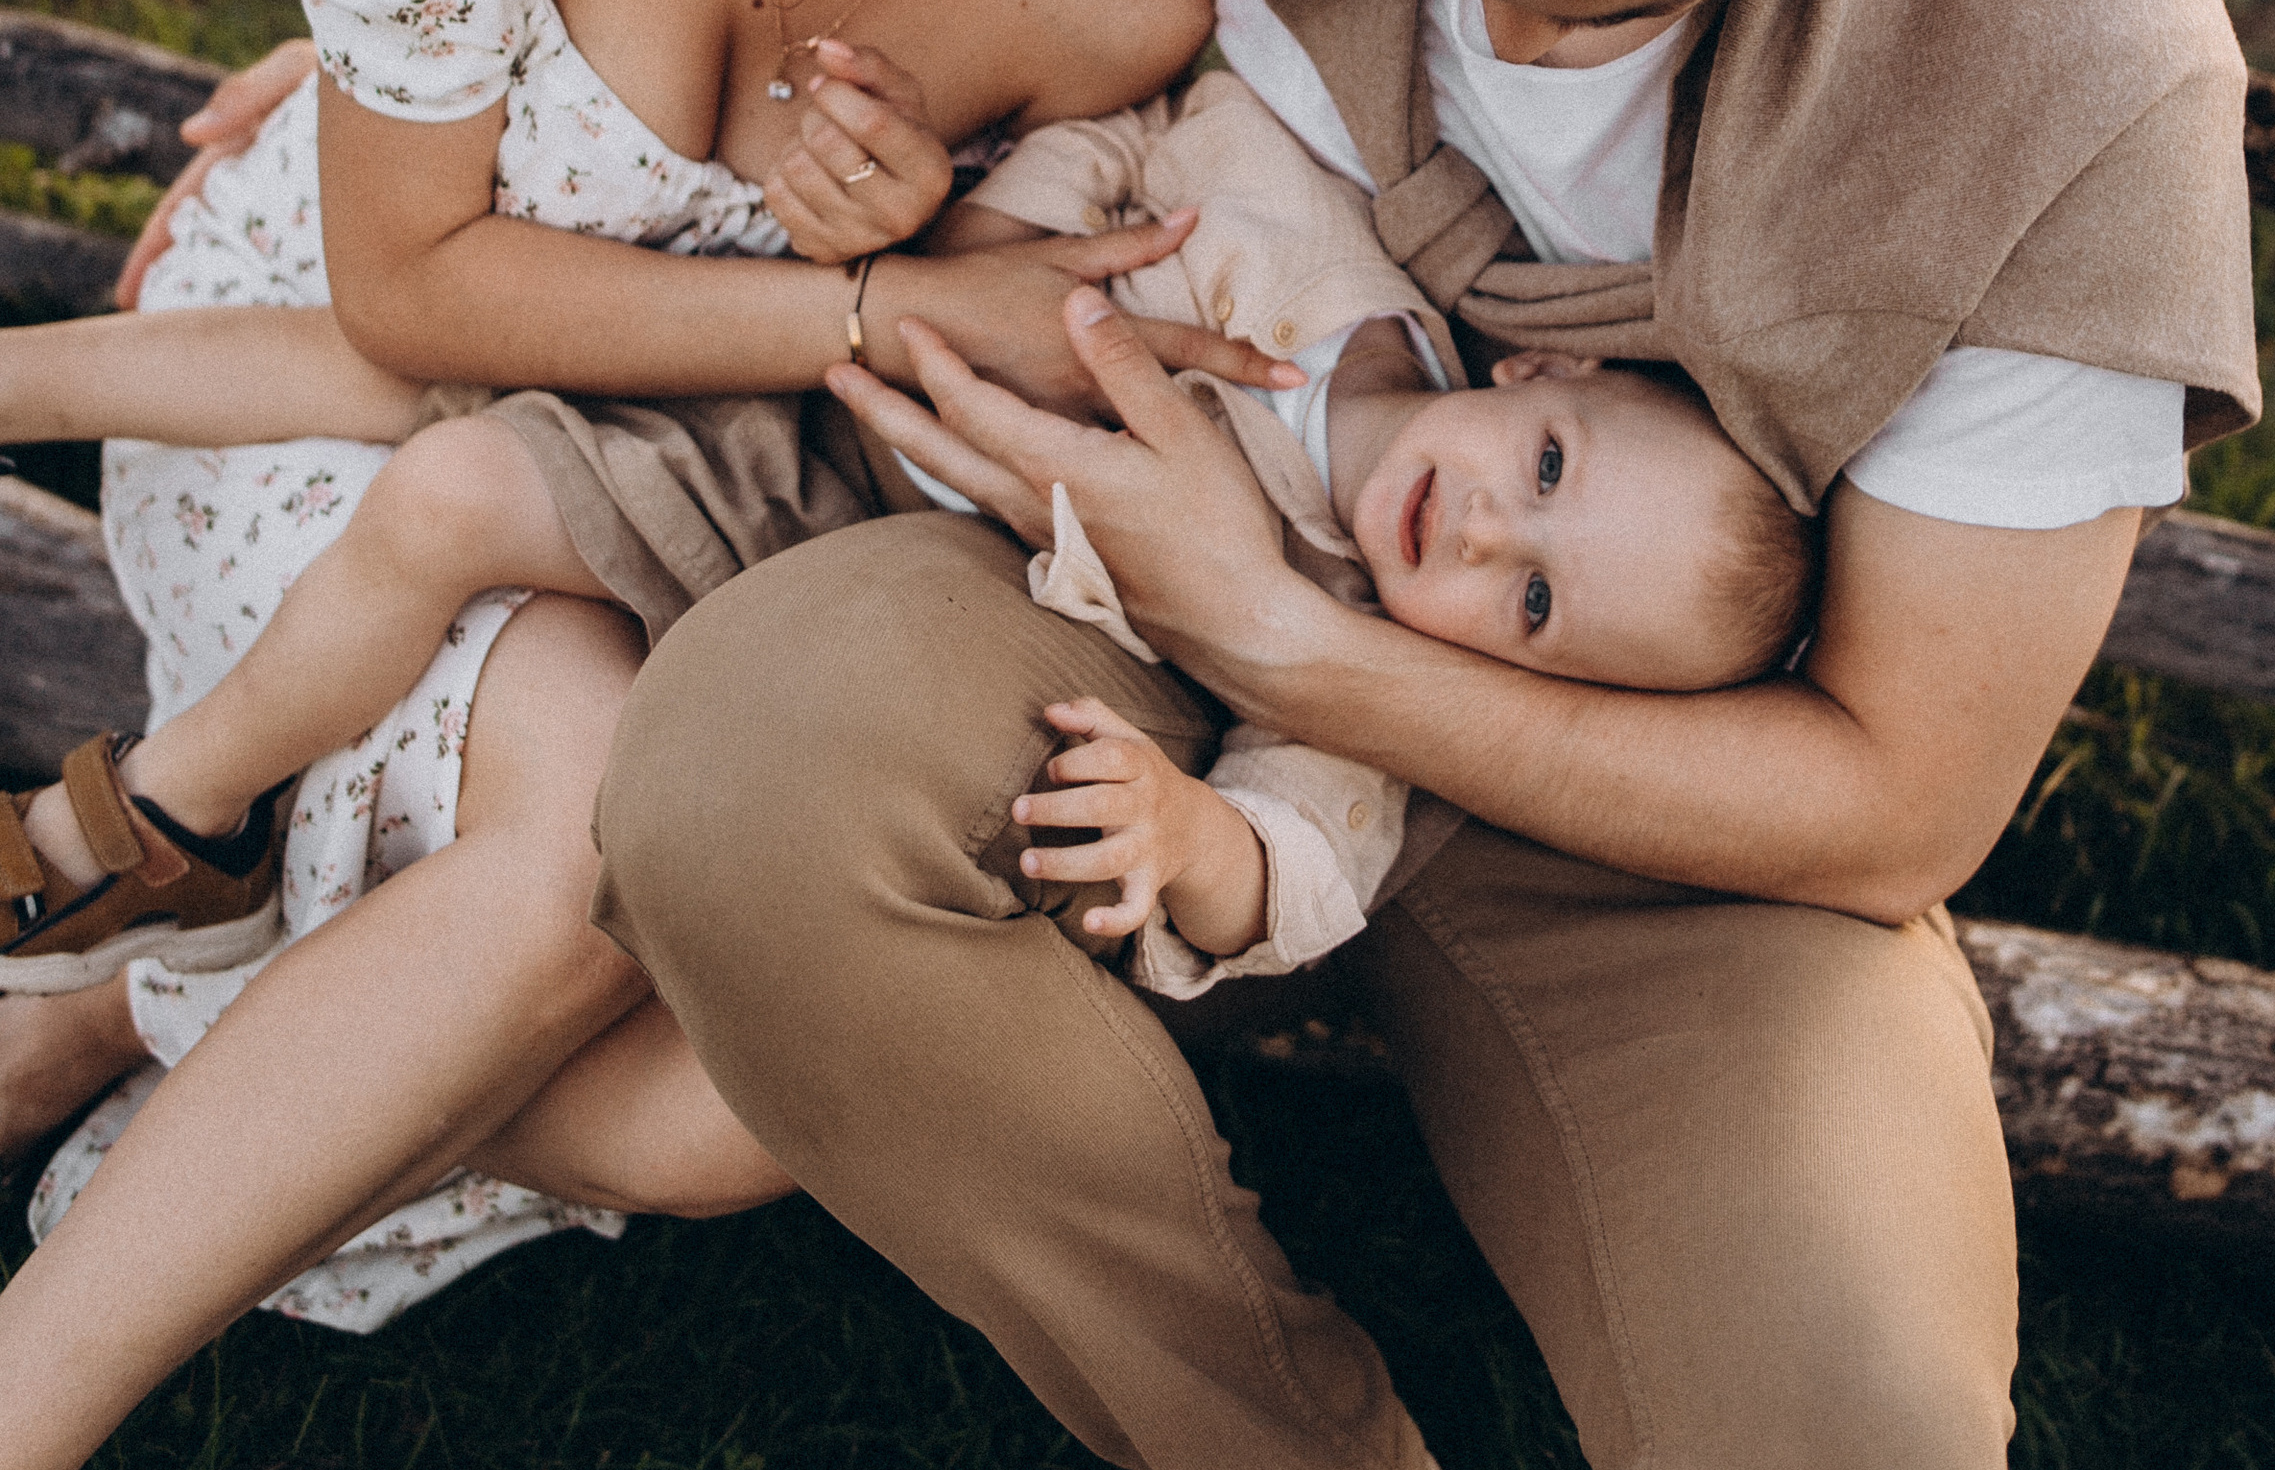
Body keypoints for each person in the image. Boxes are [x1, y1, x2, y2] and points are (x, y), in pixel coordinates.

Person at [598, 0, 2261, 1470]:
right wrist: (448, 63)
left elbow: (1896, 796)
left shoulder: (2072, 72)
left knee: (1857, 1451)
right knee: (746, 786)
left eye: (1597, 1)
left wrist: (1293, 640)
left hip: (1672, 796)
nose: (1487, 34)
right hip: (1121, 564)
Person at [0, 0, 1410, 1470]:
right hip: (319, 425)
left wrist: (908, 242)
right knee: (581, 872)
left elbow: (991, 322)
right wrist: (851, 307)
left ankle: (126, 996)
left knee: (738, 1101)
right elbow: (416, 292)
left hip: (641, 512)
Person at [0, 70, 1810, 1001]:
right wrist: (1000, 240)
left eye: (1538, 603)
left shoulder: (1338, 653)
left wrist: (1194, 842)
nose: (1490, 530)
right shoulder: (1320, 235)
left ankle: (168, 814)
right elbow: (1139, 119)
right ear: (1532, 364)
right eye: (1550, 469)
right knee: (423, 358)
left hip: (832, 518)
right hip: (840, 303)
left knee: (452, 491)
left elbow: (1308, 864)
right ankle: (41, 385)